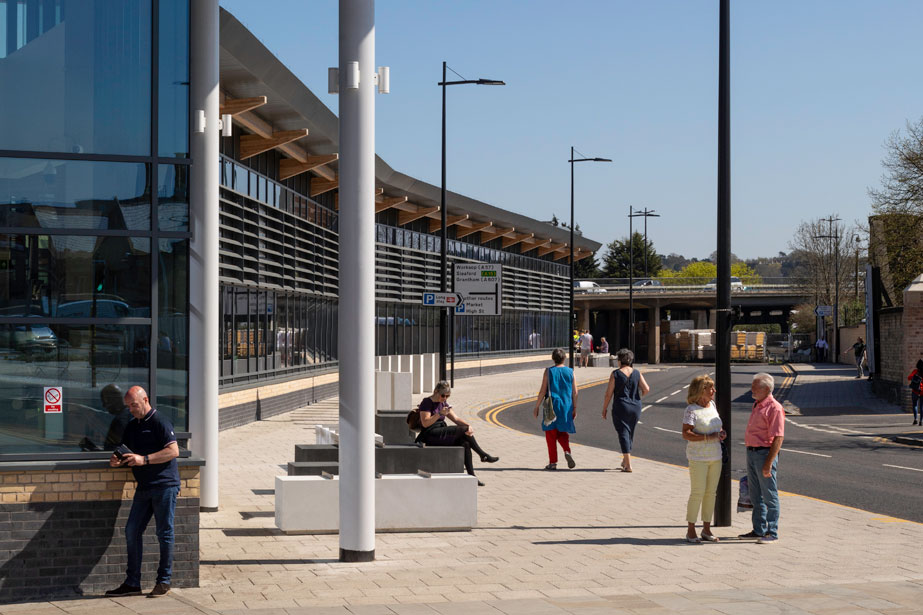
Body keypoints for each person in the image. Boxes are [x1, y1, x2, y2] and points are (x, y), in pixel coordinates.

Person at [105, 386, 180, 598]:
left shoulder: (160, 421)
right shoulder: (132, 426)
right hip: (144, 487)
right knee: (131, 531)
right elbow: (126, 450)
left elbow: (173, 451)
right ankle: (132, 583)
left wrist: (144, 459)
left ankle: (163, 581)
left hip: (165, 485)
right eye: (128, 406)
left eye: (134, 405)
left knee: (164, 533)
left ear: (145, 400)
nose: (131, 409)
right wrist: (116, 461)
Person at [415, 381, 498, 486]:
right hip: (430, 434)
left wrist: (468, 426)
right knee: (463, 430)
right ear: (436, 392)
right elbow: (425, 423)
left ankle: (472, 477)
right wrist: (439, 414)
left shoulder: (443, 403)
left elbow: (456, 419)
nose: (445, 398)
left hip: (440, 431)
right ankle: (483, 455)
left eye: (447, 396)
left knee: (465, 443)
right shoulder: (427, 402)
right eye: (443, 395)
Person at [739, 373, 785, 544]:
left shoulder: (774, 408)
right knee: (755, 494)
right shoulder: (757, 404)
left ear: (766, 389)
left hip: (764, 454)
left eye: (755, 387)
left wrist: (769, 463)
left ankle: (772, 531)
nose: (751, 390)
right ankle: (758, 529)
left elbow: (778, 437)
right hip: (751, 452)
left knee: (769, 494)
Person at [681, 375, 726, 543]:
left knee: (711, 493)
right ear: (701, 391)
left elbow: (716, 426)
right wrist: (708, 437)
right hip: (698, 457)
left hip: (716, 456)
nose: (713, 391)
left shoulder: (712, 405)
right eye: (710, 388)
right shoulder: (691, 410)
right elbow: (686, 433)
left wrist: (720, 433)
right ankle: (690, 529)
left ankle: (706, 529)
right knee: (697, 492)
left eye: (713, 387)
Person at [601, 348, 650, 472]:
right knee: (630, 432)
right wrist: (637, 397)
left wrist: (604, 408)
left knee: (623, 433)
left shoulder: (616, 374)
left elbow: (608, 394)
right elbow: (646, 389)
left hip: (621, 406)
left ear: (619, 361)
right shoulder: (637, 373)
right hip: (636, 406)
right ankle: (625, 459)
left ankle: (628, 465)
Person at [532, 348, 578, 470]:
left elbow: (543, 390)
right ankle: (567, 451)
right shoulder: (570, 371)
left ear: (553, 359)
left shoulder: (548, 371)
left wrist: (536, 406)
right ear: (564, 358)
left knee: (551, 434)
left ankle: (553, 462)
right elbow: (575, 392)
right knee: (563, 432)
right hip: (566, 406)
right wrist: (574, 407)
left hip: (551, 405)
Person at [101, 384, 132, 450]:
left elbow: (115, 448)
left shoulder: (121, 420)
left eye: (105, 401)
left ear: (114, 400)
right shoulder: (129, 415)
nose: (104, 405)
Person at [908, 358, 923, 425]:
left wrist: (915, 377)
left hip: (915, 390)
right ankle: (921, 421)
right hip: (922, 391)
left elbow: (909, 377)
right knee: (922, 406)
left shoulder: (915, 371)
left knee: (915, 405)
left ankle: (915, 419)